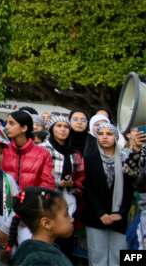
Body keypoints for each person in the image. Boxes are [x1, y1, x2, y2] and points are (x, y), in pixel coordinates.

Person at [82, 122, 131, 266]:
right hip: (95, 216)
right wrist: (101, 213)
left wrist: (121, 213)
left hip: (119, 217)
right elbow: (87, 188)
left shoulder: (126, 160)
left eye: (109, 134)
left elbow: (130, 190)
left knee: (120, 257)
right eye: (101, 134)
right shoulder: (89, 159)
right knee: (97, 258)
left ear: (115, 137)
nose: (104, 137)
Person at [39, 113, 84, 260]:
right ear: (52, 129)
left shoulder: (75, 154)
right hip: (45, 205)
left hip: (67, 207)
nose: (63, 129)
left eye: (66, 126)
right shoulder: (41, 149)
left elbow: (82, 181)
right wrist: (57, 183)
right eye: (59, 126)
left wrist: (72, 184)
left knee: (64, 251)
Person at [8, 188, 74, 266]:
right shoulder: (39, 261)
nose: (72, 219)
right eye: (66, 214)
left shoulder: (38, 253)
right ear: (46, 223)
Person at [1, 110, 55, 190]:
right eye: (7, 122)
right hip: (6, 200)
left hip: (31, 201)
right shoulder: (2, 150)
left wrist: (34, 199)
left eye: (11, 123)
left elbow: (48, 183)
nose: (6, 127)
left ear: (24, 128)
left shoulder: (43, 154)